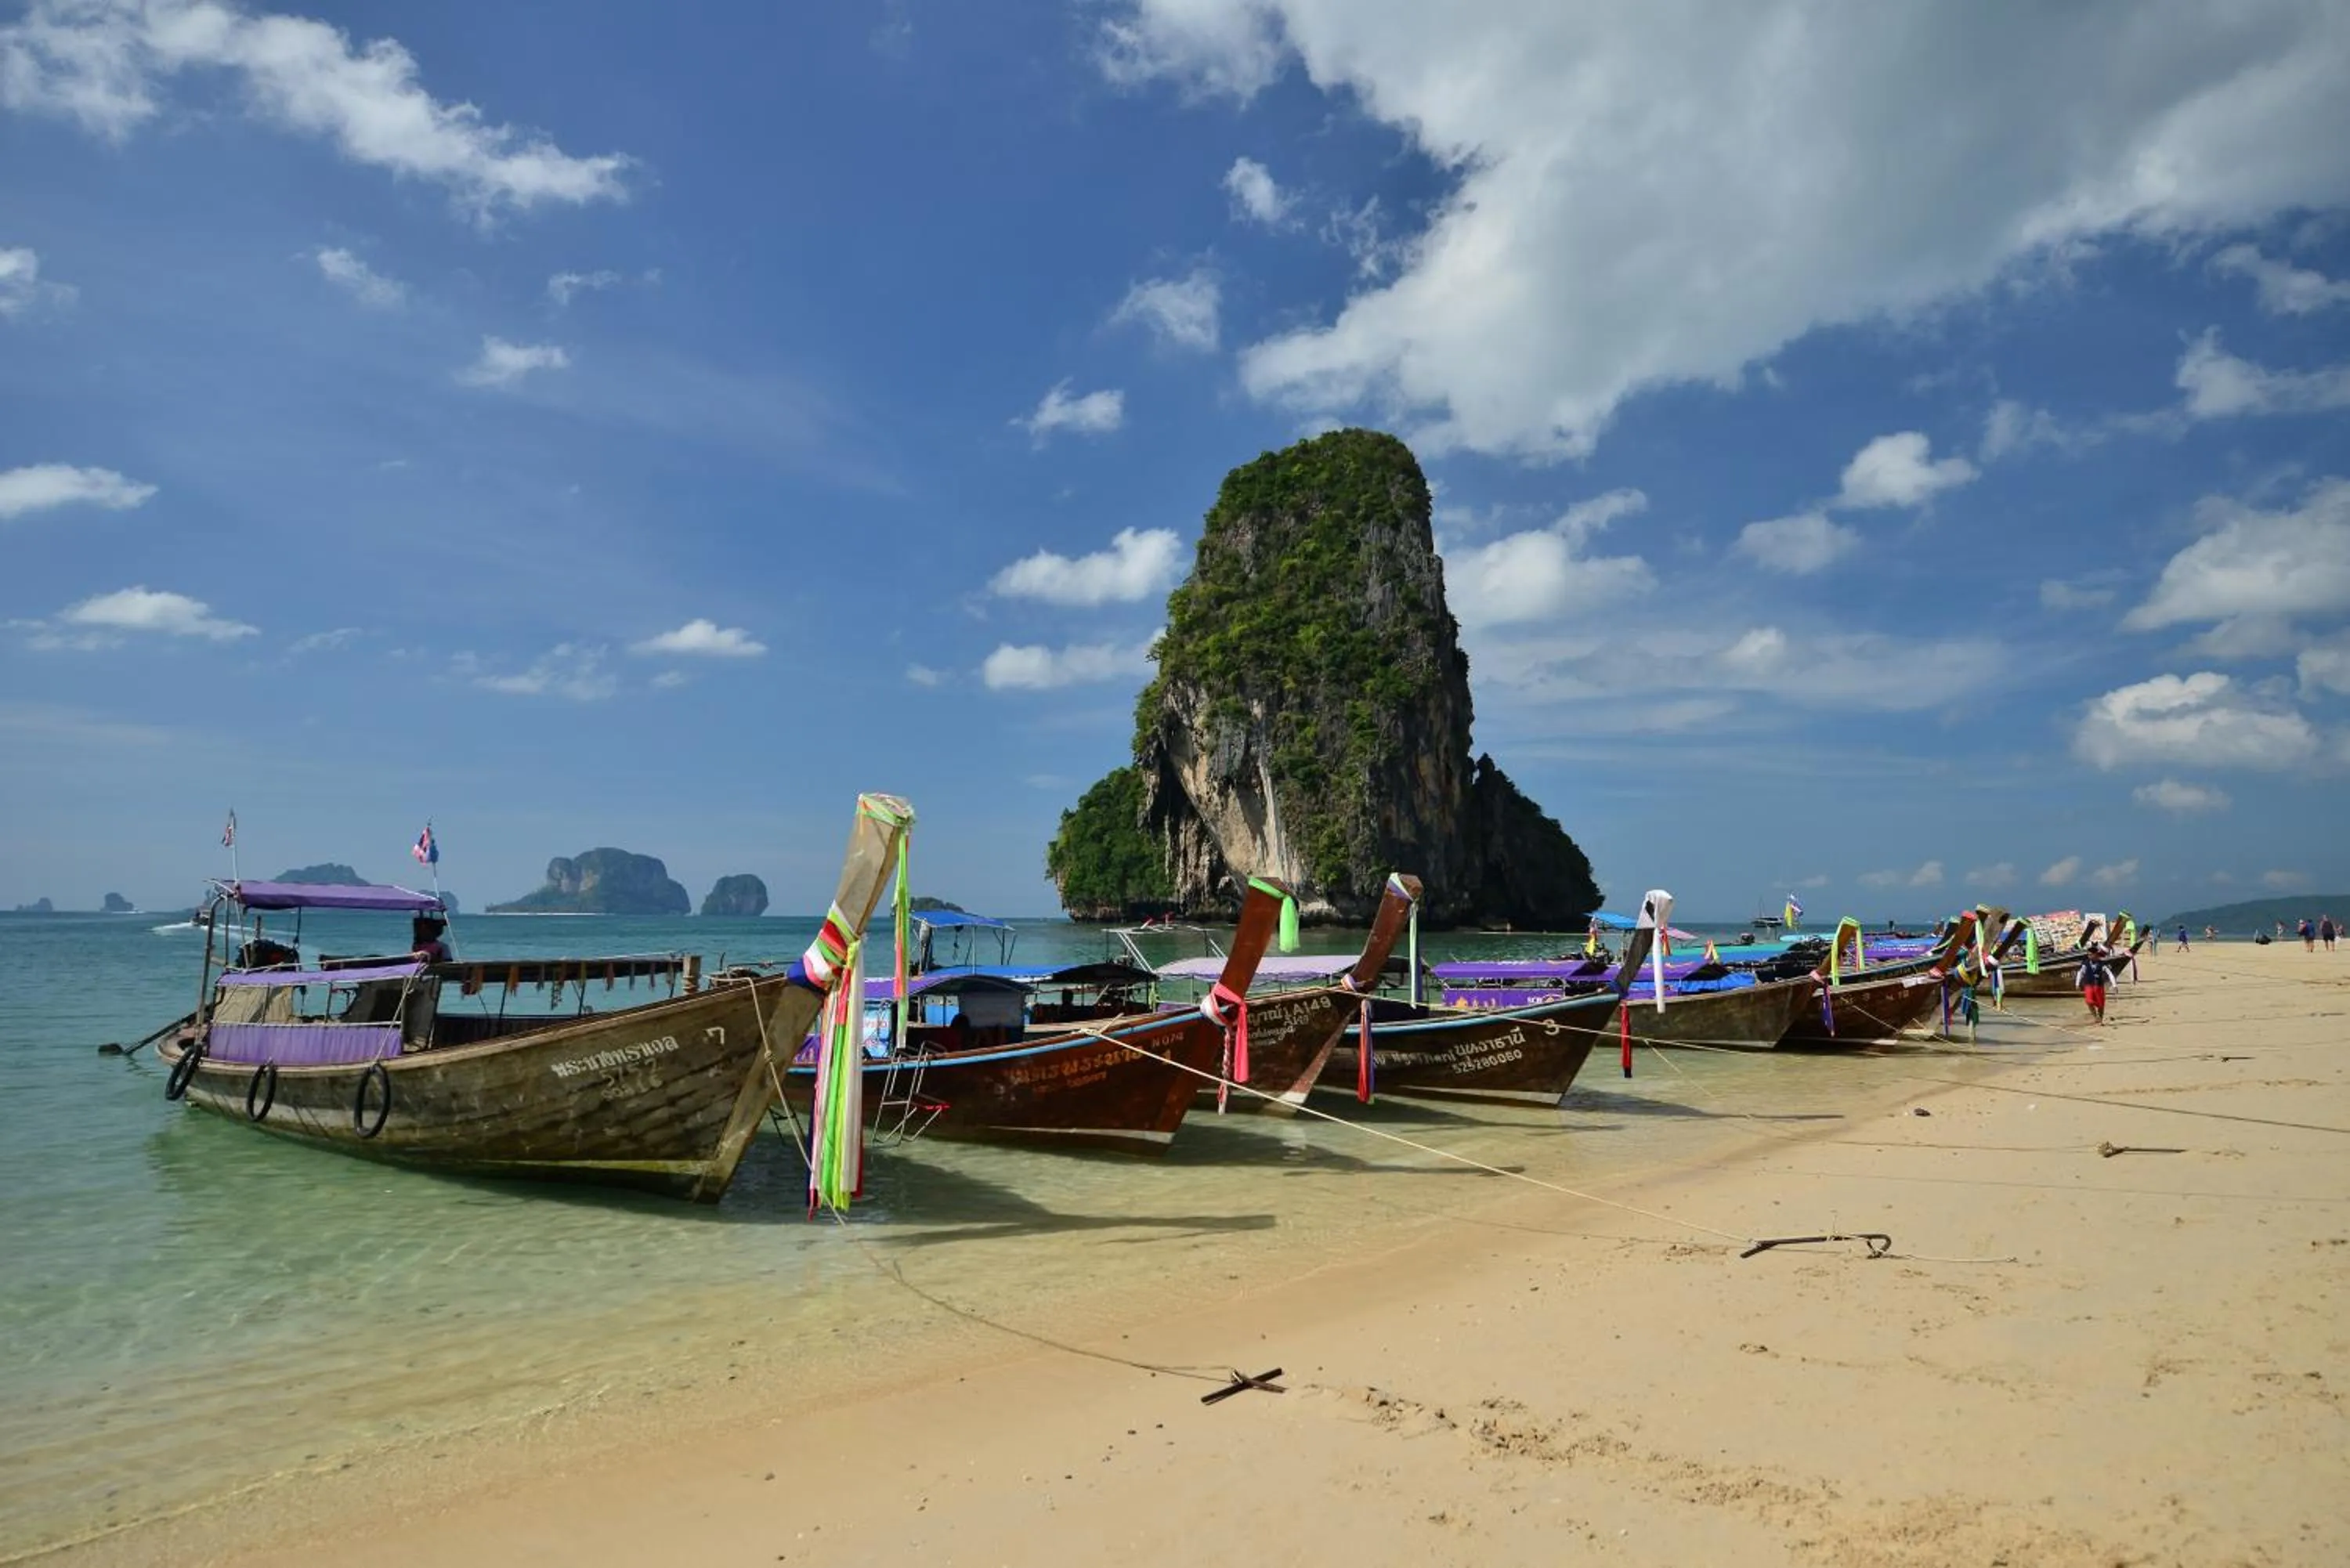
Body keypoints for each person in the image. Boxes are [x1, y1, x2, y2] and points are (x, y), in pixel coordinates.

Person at [2077, 943, 2113, 1025]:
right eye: (2088, 955)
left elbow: (2109, 973)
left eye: (2091, 955)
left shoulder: (2101, 964)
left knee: (2101, 1004)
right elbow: (2080, 973)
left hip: (2098, 986)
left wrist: (2114, 985)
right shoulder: (2085, 963)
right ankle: (2095, 1017)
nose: (2089, 956)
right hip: (2089, 984)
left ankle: (2100, 1019)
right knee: (2089, 1002)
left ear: (2095, 955)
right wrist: (2077, 983)